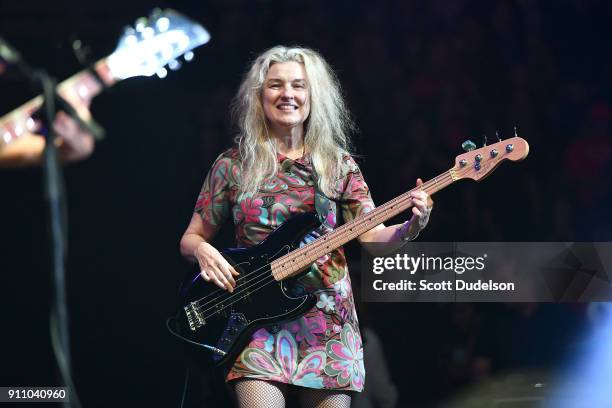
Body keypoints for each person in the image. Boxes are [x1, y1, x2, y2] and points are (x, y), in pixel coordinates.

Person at [179, 46, 434, 408]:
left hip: (327, 319)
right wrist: (204, 250)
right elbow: (190, 238)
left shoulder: (339, 166)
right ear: (259, 95)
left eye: (298, 85)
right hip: (256, 323)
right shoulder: (233, 165)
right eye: (276, 85)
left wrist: (410, 227)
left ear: (313, 95)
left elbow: (372, 238)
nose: (288, 94)